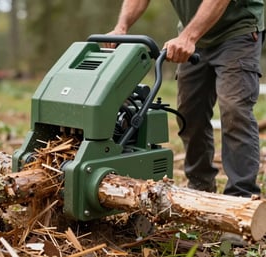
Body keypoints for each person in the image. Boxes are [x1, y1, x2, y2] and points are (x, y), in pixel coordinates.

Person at [106, 0, 264, 245]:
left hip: (237, 31)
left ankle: (241, 204)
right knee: (189, 114)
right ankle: (200, 191)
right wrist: (122, 27)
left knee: (234, 110)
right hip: (194, 34)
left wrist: (189, 36)